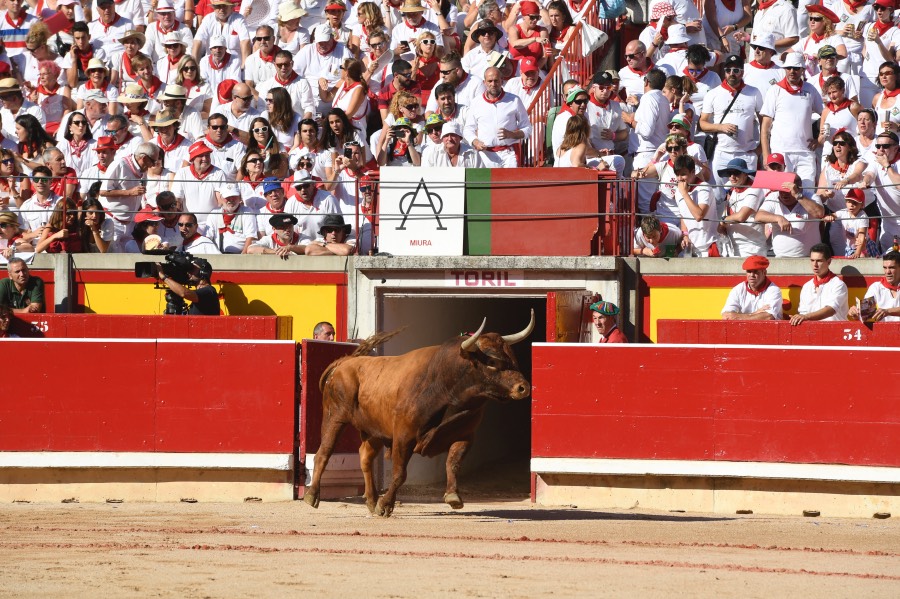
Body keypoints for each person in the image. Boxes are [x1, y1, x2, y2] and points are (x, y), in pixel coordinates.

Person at [759, 52, 823, 189]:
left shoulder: (810, 89)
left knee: (807, 192)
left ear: (802, 70)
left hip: (805, 152)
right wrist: (766, 155)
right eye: (788, 68)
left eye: (796, 68)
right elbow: (765, 127)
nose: (792, 71)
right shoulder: (774, 90)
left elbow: (825, 113)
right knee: (780, 192)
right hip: (780, 151)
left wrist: (820, 138)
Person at [464, 66, 530, 168]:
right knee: (488, 184)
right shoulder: (476, 102)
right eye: (490, 81)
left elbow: (527, 128)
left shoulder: (514, 100)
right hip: (486, 155)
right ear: (484, 82)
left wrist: (511, 134)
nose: (493, 84)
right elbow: (468, 129)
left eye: (496, 81)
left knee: (510, 183)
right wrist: (475, 141)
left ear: (502, 81)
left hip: (509, 154)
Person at [99, 142, 161, 241]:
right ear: (144, 158)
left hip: (130, 224)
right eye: (153, 161)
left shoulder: (143, 170)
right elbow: (103, 192)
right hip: (112, 222)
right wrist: (129, 192)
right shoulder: (120, 164)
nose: (154, 165)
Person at [755, 175, 825, 257]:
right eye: (781, 190)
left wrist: (798, 196)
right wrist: (778, 218)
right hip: (780, 258)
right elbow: (758, 216)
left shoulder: (811, 196)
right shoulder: (773, 197)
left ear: (799, 189)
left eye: (788, 191)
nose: (784, 194)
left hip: (809, 259)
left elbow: (819, 213)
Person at [718, 158, 766, 257]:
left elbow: (741, 217)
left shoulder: (754, 189)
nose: (732, 177)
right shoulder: (731, 189)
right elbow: (727, 213)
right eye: (729, 173)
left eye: (736, 173)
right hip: (732, 246)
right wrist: (722, 224)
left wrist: (723, 220)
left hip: (752, 247)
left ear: (745, 174)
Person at [791, 242, 849, 325]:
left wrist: (806, 317)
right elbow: (803, 313)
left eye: (819, 261)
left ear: (829, 262)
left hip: (836, 332)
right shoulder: (807, 286)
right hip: (812, 332)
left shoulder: (838, 285)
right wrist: (800, 317)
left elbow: (831, 310)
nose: (815, 264)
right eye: (812, 260)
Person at [673, 155, 718, 256]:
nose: (680, 178)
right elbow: (683, 215)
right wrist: (685, 235)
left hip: (708, 247)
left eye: (683, 174)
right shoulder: (678, 191)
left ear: (693, 172)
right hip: (691, 248)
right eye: (677, 174)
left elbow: (699, 215)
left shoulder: (704, 188)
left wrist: (684, 194)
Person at [722, 256, 784, 320]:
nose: (752, 275)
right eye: (749, 271)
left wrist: (738, 316)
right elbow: (726, 316)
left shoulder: (773, 290)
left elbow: (768, 317)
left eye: (755, 271)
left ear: (764, 273)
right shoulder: (737, 290)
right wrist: (754, 314)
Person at [156, 254, 220, 316]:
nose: (189, 272)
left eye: (192, 269)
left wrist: (163, 277)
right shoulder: (202, 293)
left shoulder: (209, 291)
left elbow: (184, 293)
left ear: (202, 272)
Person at [823, 188, 879, 258]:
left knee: (862, 257)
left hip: (864, 245)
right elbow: (832, 215)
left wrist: (857, 252)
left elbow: (861, 235)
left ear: (861, 205)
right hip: (850, 246)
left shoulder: (863, 217)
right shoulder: (843, 212)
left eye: (855, 203)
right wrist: (829, 217)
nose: (851, 205)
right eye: (848, 201)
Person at [204, 182, 259, 254]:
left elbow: (251, 237)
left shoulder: (247, 212)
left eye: (234, 196)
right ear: (221, 198)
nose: (231, 200)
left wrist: (243, 257)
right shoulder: (214, 214)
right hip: (218, 254)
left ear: (239, 197)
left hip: (240, 255)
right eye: (227, 197)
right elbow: (208, 237)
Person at [848, 251, 900, 322]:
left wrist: (888, 311)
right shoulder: (876, 287)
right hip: (884, 331)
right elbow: (865, 313)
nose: (887, 272)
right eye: (885, 268)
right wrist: (856, 313)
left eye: (891, 267)